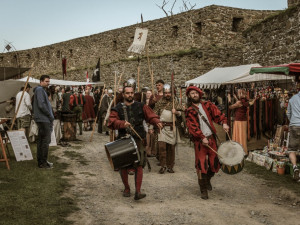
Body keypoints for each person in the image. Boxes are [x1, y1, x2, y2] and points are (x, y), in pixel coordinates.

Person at [107, 83, 163, 200]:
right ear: (123, 94)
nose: (130, 95)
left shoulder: (141, 105)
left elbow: (150, 115)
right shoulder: (117, 108)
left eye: (132, 93)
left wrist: (156, 121)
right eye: (127, 93)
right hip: (123, 138)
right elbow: (111, 122)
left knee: (139, 165)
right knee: (123, 165)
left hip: (138, 138)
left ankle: (138, 191)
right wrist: (122, 124)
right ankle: (127, 188)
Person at [185, 86, 229, 199]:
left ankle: (208, 179)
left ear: (199, 94)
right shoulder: (189, 110)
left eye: (196, 93)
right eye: (192, 93)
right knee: (201, 165)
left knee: (215, 164)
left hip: (211, 139)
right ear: (189, 96)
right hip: (200, 142)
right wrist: (201, 137)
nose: (194, 95)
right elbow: (193, 127)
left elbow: (218, 115)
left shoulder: (208, 105)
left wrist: (223, 123)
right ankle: (203, 189)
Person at [151, 84, 184, 173]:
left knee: (171, 148)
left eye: (169, 93)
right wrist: (154, 124)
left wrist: (176, 112)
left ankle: (170, 166)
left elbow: (183, 113)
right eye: (165, 93)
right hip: (162, 128)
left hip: (172, 128)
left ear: (171, 93)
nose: (167, 94)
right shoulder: (159, 102)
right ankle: (163, 166)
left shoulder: (175, 102)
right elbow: (153, 114)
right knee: (161, 147)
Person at [33, 75, 54, 169]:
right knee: (45, 141)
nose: (48, 83)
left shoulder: (40, 90)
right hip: (43, 119)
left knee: (41, 141)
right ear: (41, 81)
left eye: (49, 81)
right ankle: (43, 163)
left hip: (42, 118)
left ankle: (42, 161)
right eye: (46, 81)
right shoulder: (40, 90)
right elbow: (41, 105)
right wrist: (49, 115)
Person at [228, 89, 255, 156]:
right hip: (243, 120)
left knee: (238, 135)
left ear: (240, 94)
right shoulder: (244, 101)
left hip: (238, 120)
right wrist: (235, 97)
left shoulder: (239, 102)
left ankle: (238, 150)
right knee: (242, 135)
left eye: (238, 93)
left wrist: (229, 100)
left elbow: (230, 107)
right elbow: (243, 104)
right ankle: (243, 150)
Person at [286, 89, 300, 182]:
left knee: (292, 150)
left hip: (294, 125)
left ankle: (295, 167)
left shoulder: (292, 99)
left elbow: (288, 113)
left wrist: (292, 121)